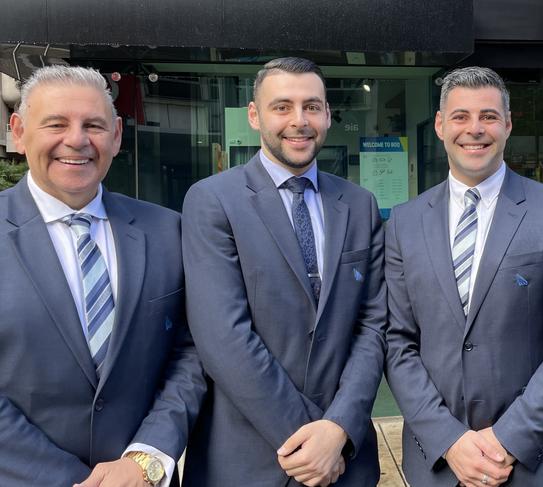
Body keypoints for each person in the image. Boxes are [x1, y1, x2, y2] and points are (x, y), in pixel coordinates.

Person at [384, 66, 543, 487]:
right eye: (461, 116)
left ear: (507, 124)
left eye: (488, 116)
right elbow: (398, 342)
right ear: (440, 125)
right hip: (440, 466)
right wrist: (449, 440)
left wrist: (507, 438)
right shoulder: (403, 223)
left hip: (538, 463)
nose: (474, 129)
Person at [181, 57, 386, 486]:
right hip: (248, 461)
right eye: (282, 107)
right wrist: (310, 442)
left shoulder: (359, 203)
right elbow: (224, 337)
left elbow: (373, 325)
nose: (299, 121)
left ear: (328, 114)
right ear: (254, 116)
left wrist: (339, 429)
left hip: (346, 459)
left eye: (312, 106)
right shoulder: (213, 201)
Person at [0, 66, 205, 487]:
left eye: (93, 125)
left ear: (116, 135)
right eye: (56, 124)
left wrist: (146, 459)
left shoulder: (167, 230)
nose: (76, 140)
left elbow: (192, 352)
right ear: (18, 132)